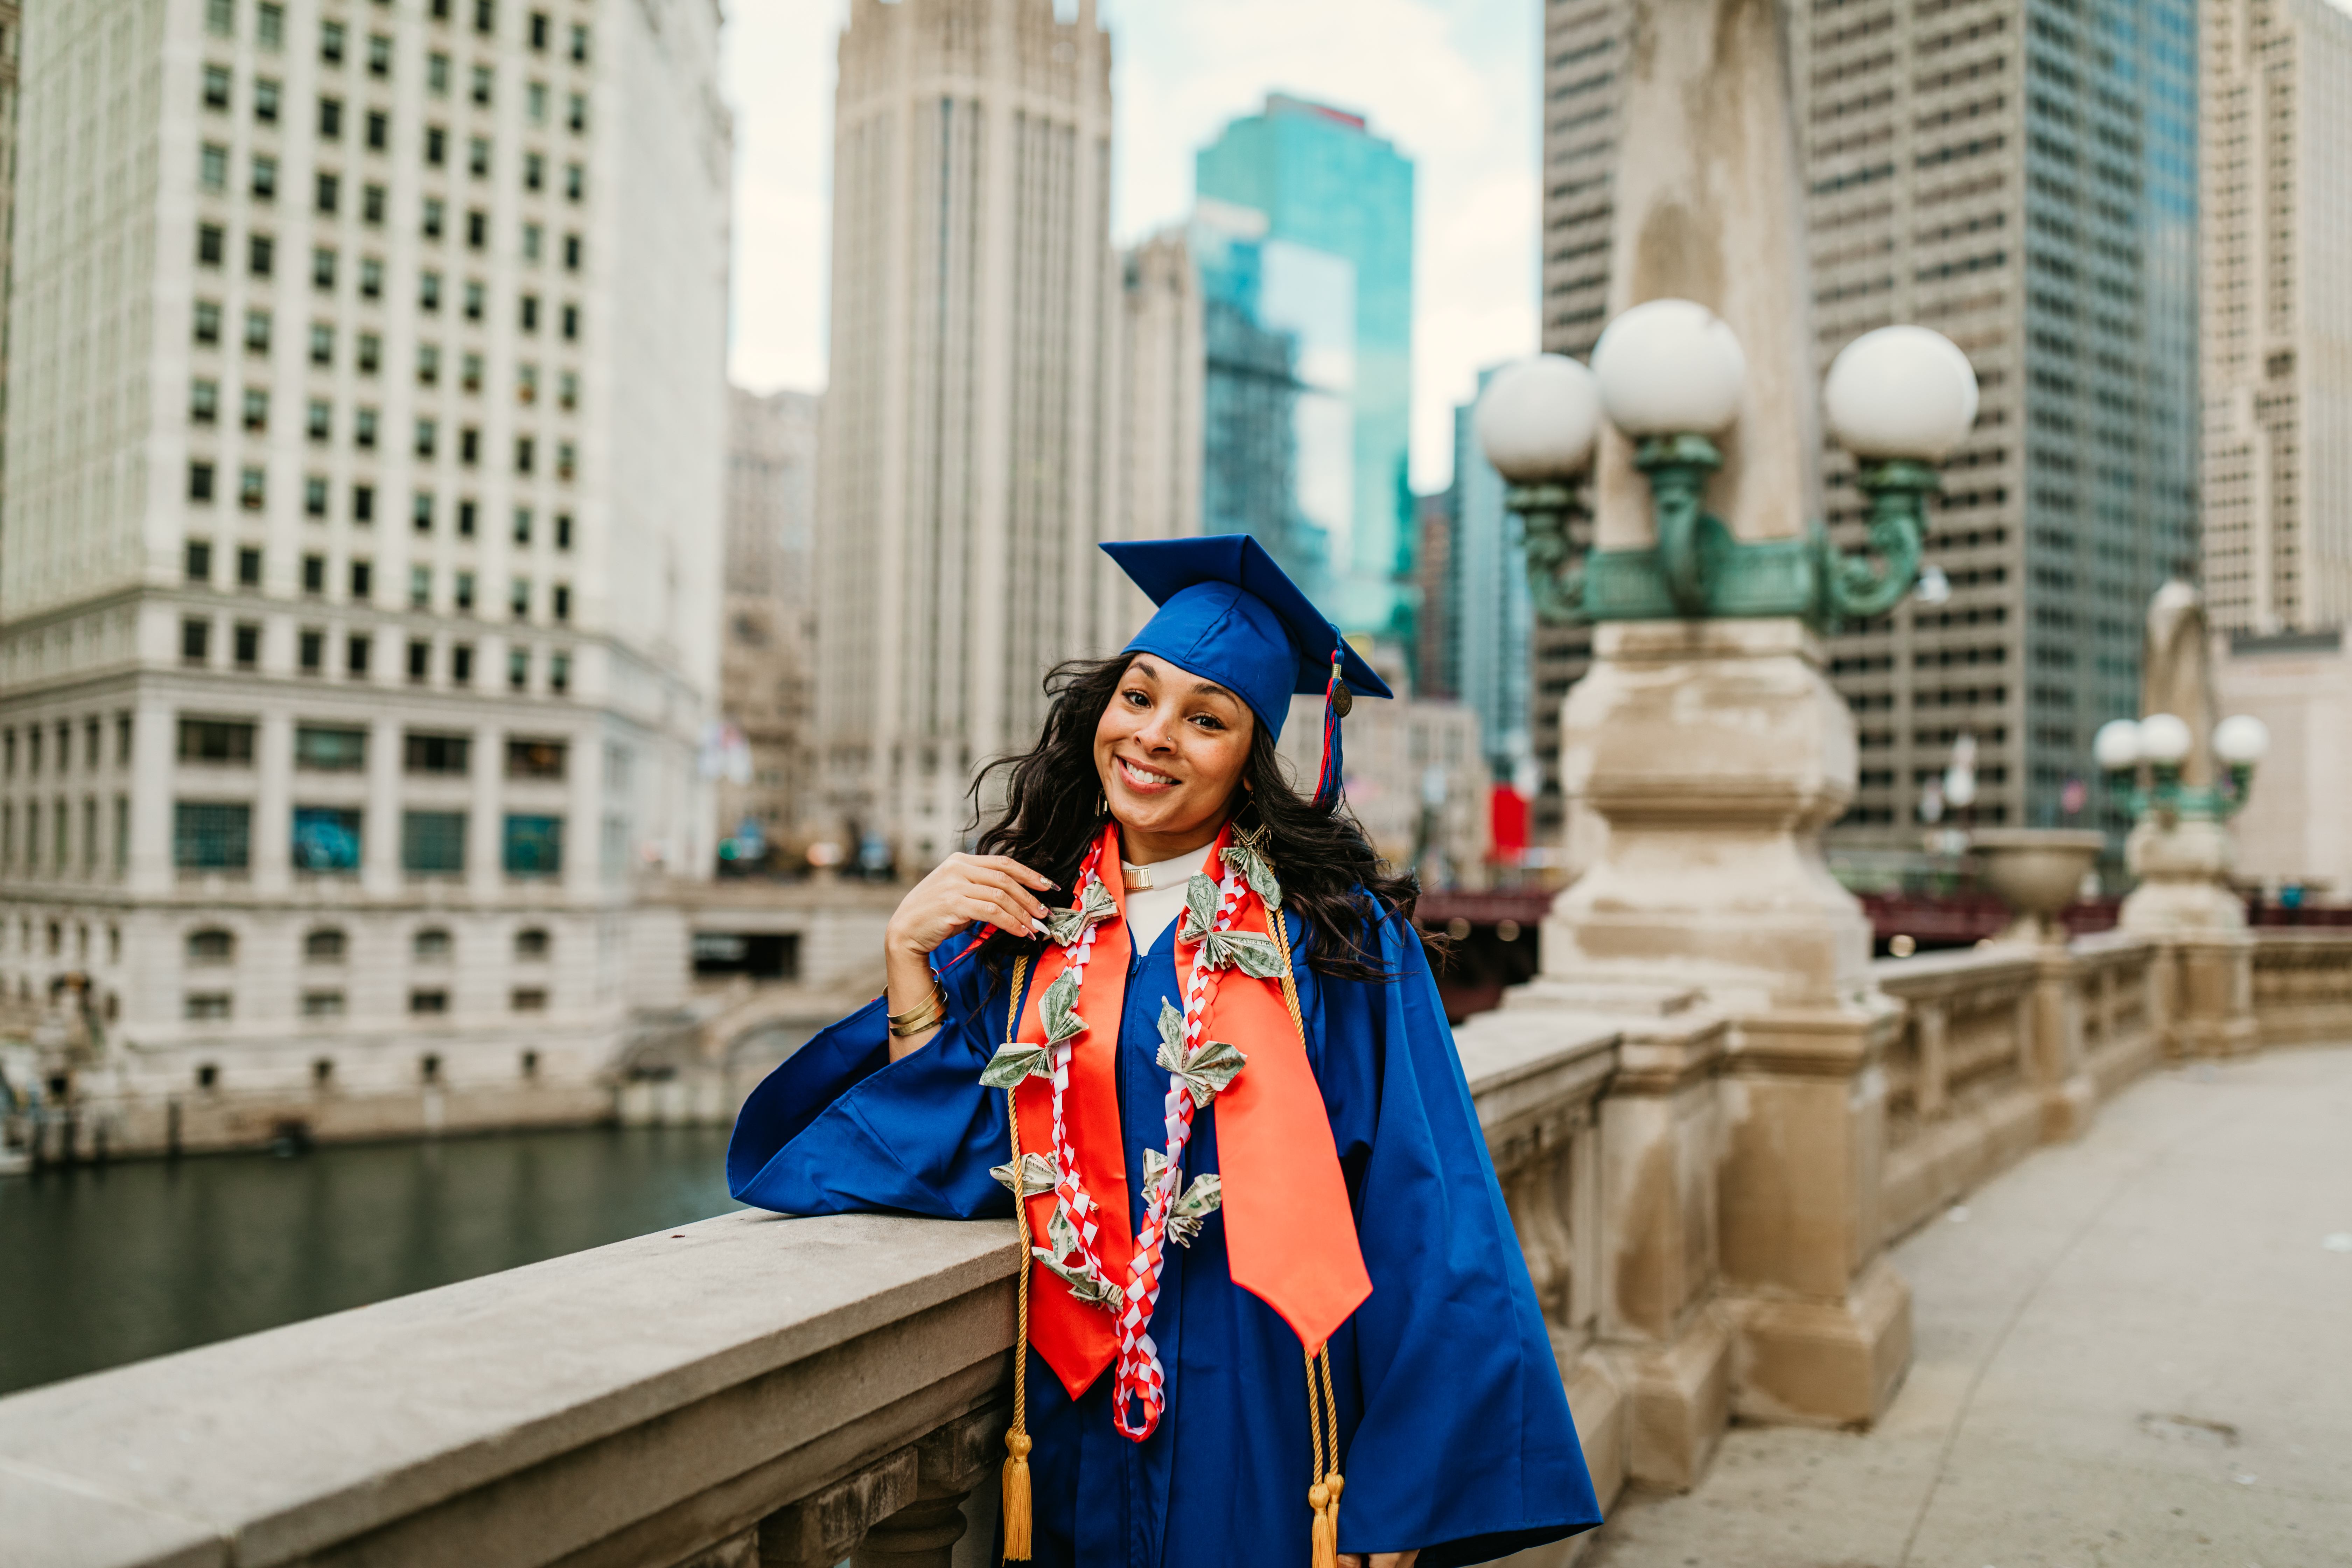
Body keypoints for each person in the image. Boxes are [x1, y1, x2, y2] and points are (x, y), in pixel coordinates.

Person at [729, 537, 1601, 1568]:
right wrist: (911, 962)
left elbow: (1428, 1203)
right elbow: (959, 1155)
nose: (1154, 738)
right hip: (1074, 1413)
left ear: (1251, 756)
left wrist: (1401, 1489)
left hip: (1274, 1405)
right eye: (1138, 698)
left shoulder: (1333, 938)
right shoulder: (1033, 932)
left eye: (1205, 719)